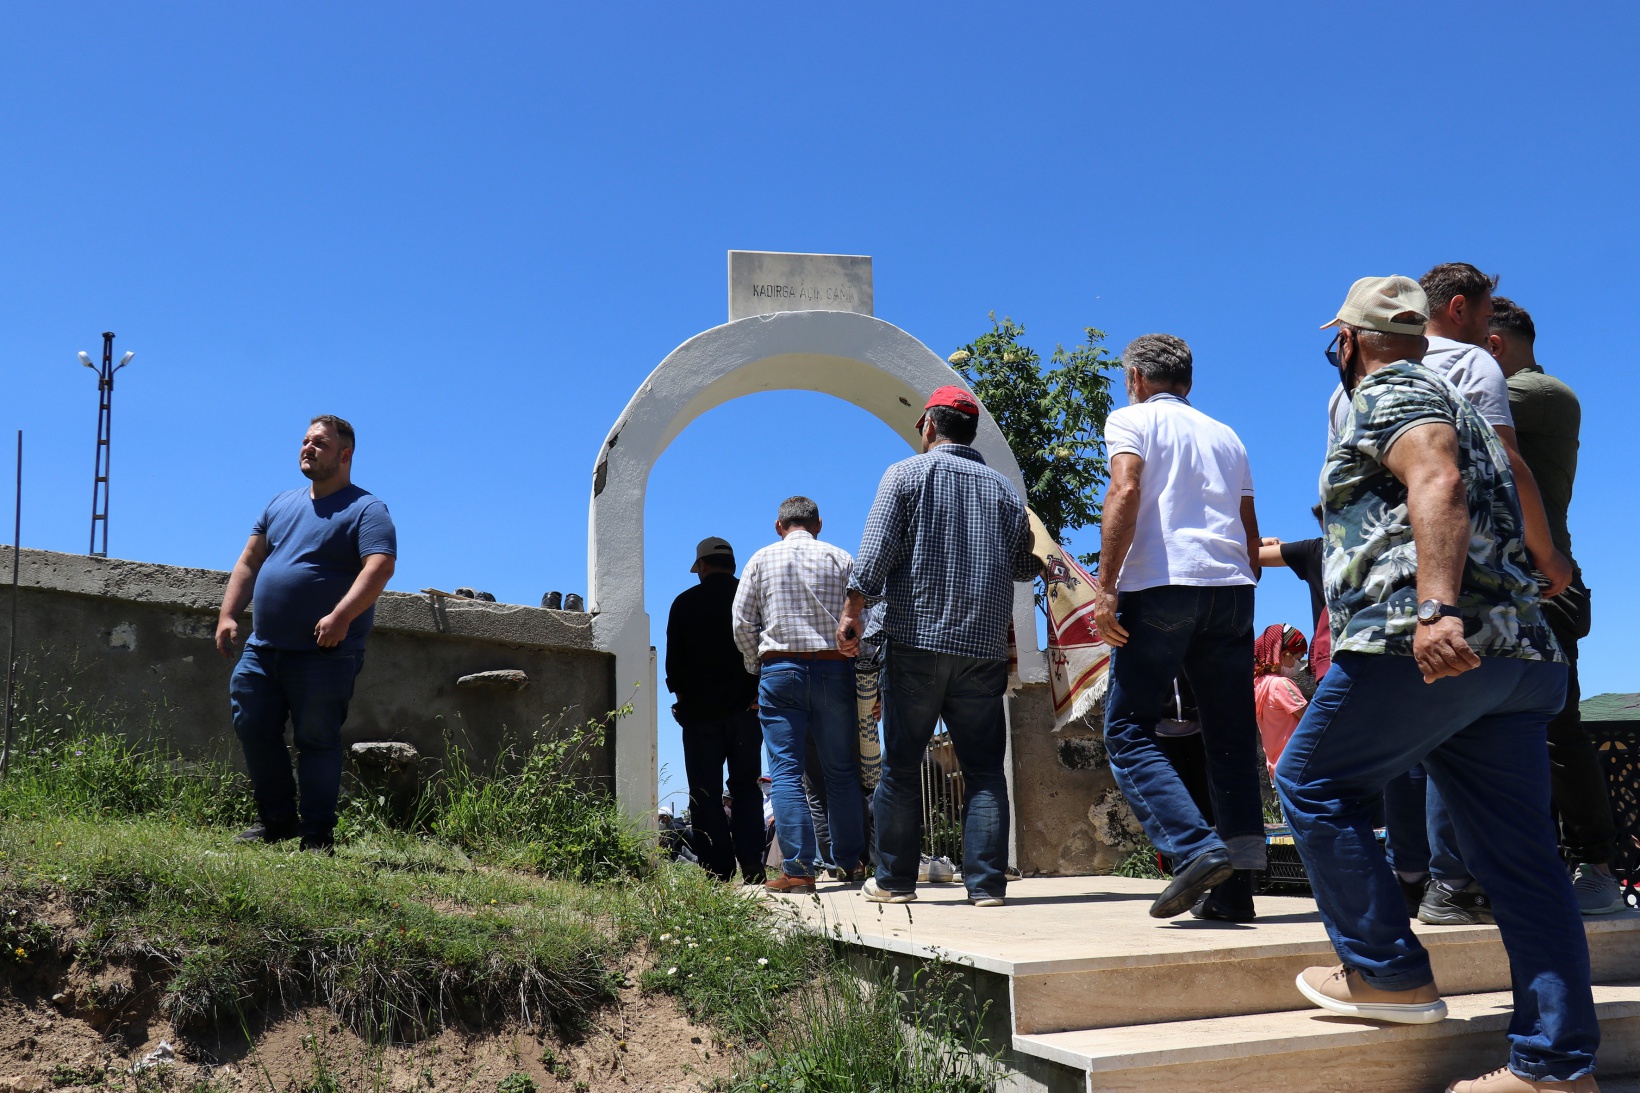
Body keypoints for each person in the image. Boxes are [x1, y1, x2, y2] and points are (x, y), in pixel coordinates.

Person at [1276, 276, 1596, 1093]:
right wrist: (1551, 563)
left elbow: (1436, 478)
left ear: (1347, 342)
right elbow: (1512, 470)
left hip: (1422, 649)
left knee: (1312, 782)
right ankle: (1557, 1072)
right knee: (1524, 862)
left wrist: (1436, 608)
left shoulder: (1388, 391)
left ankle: (1388, 973)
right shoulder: (1461, 394)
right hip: (1522, 655)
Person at [837, 385, 1037, 909]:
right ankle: (987, 886)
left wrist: (853, 613)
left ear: (928, 426)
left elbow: (875, 554)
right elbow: (1021, 567)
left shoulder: (905, 475)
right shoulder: (1002, 491)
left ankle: (897, 881)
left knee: (902, 767)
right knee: (986, 771)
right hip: (982, 650)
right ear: (970, 432)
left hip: (916, 644)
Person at [1090, 334, 1267, 920]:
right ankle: (1234, 892)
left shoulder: (1130, 420)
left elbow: (1126, 489)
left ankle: (1193, 849)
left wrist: (1106, 585)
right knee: (1231, 739)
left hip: (1161, 585)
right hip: (1232, 588)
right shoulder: (1227, 434)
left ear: (1137, 377)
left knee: (1128, 730)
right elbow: (1248, 522)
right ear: (1187, 381)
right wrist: (1240, 585)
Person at [1489, 297, 1623, 915]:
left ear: (1493, 344)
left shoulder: (1537, 393)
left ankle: (1596, 868)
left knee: (1557, 731)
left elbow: (1443, 417)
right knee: (1521, 731)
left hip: (1547, 586)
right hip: (1524, 585)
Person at [215, 415, 397, 853]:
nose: (308, 448)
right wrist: (227, 614)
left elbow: (380, 567)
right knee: (253, 727)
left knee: (316, 740)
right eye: (305, 441)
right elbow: (248, 561)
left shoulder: (367, 509)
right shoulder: (280, 503)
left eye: (319, 442)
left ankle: (317, 834)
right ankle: (277, 820)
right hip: (264, 647)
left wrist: (342, 616)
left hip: (326, 651)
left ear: (345, 454)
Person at [733, 497, 864, 893]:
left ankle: (799, 870)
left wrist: (757, 667)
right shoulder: (842, 558)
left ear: (779, 525)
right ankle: (851, 864)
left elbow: (741, 623)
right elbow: (864, 621)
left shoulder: (760, 560)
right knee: (841, 771)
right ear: (818, 523)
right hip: (835, 670)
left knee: (786, 772)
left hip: (780, 670)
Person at [664, 536, 765, 885]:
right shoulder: (752, 601)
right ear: (733, 566)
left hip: (700, 717)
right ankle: (753, 865)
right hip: (747, 713)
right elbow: (765, 650)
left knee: (705, 793)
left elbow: (674, 666)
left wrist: (684, 702)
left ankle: (718, 870)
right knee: (747, 788)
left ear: (702, 567)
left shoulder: (684, 603)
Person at [1253, 624, 1308, 778]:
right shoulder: (1281, 684)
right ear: (1285, 654)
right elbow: (1311, 719)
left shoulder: (1258, 685)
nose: (1299, 664)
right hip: (1298, 764)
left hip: (1276, 767)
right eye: (1299, 657)